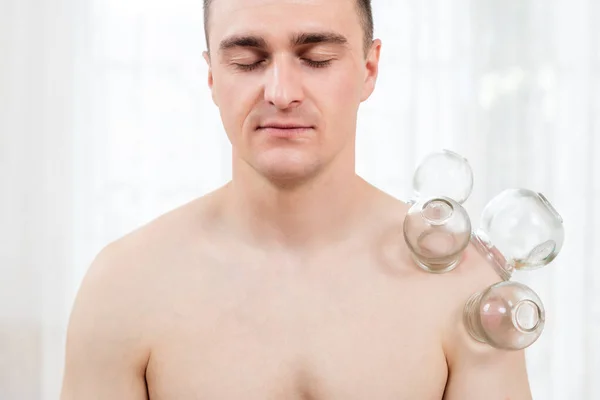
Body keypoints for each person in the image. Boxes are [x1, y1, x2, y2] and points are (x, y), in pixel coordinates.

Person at [60, 0, 533, 398]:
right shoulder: (125, 285)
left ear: (369, 69)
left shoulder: (461, 285)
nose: (281, 93)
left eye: (317, 57)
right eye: (248, 61)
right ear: (210, 78)